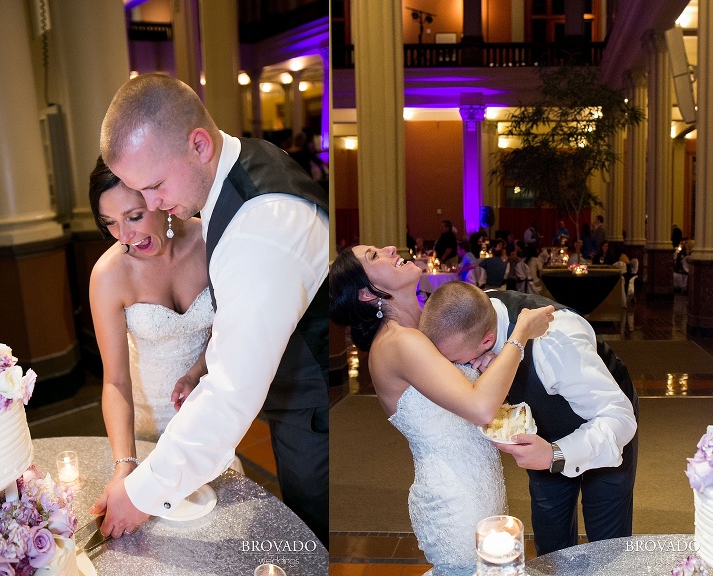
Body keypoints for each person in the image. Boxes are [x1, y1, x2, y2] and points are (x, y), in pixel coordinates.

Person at [94, 73, 329, 546]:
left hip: (319, 418)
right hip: (272, 411)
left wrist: (141, 494)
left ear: (199, 144)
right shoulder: (244, 166)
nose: (153, 203)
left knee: (319, 540)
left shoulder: (259, 227)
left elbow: (230, 393)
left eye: (155, 187)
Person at [328, 245, 554, 575]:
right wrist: (520, 335)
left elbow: (465, 402)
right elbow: (480, 408)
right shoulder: (398, 341)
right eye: (375, 256)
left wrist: (482, 363)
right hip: (455, 500)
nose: (390, 248)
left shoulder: (422, 334)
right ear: (365, 293)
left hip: (477, 485)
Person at [420, 282, 638, 556]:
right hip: (542, 431)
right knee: (551, 543)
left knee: (608, 543)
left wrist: (556, 455)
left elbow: (618, 417)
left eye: (457, 361)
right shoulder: (474, 310)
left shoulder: (556, 342)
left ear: (487, 341)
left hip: (605, 426)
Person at [87, 157, 247, 497]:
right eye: (111, 223)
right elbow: (115, 381)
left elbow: (234, 327)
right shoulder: (109, 276)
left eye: (134, 216)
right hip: (145, 421)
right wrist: (124, 463)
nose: (125, 235)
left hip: (209, 408)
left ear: (158, 200)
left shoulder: (211, 241)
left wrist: (196, 372)